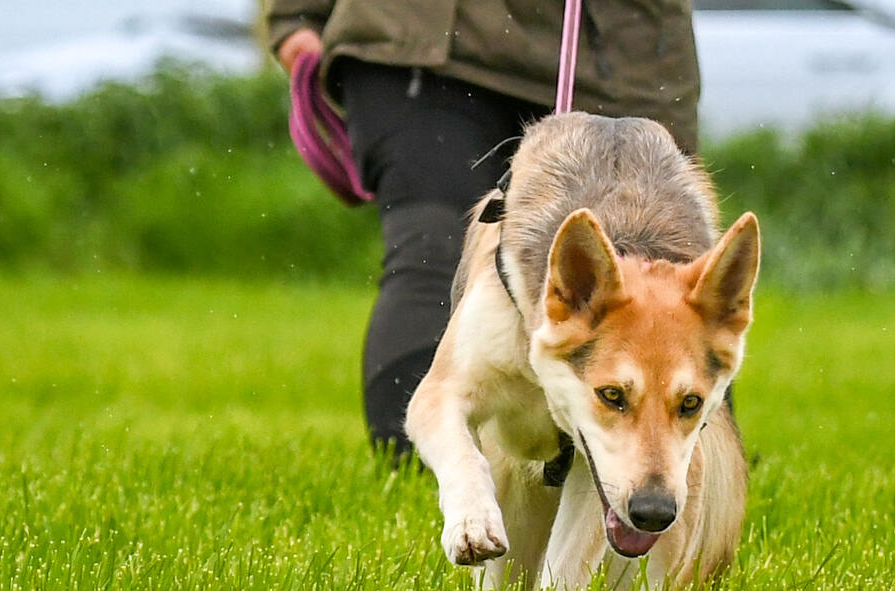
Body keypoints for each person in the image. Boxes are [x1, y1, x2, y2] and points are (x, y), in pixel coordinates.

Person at [263, 1, 703, 459]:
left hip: (618, 51)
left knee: (657, 275)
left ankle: (679, 463)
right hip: (424, 39)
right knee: (434, 252)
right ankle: (415, 463)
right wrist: (298, 15)